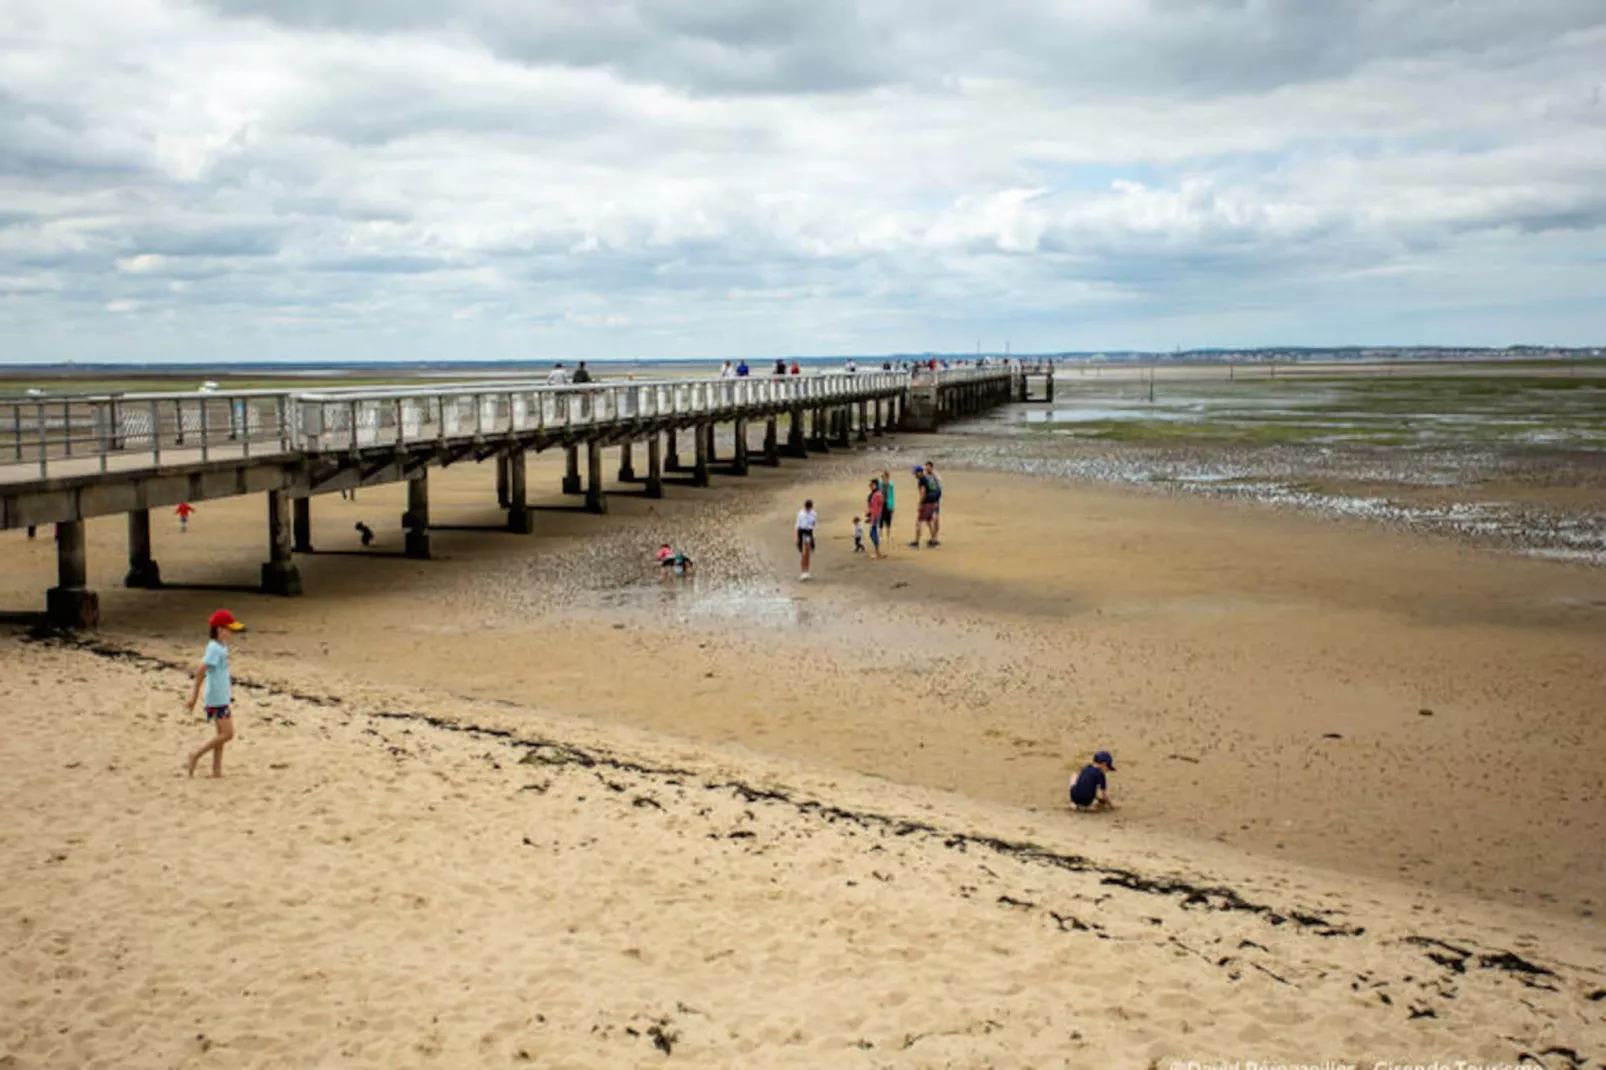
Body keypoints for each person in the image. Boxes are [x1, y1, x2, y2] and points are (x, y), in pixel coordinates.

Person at [186, 609, 245, 778]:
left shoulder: (221, 646)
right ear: (220, 629)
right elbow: (200, 672)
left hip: (221, 696)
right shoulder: (214, 648)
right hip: (216, 698)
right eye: (229, 629)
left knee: (221, 735)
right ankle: (196, 755)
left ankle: (216, 770)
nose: (231, 632)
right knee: (228, 734)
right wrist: (194, 698)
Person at [795, 499, 817, 580]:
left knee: (808, 552)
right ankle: (803, 571)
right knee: (803, 553)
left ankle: (807, 571)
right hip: (802, 531)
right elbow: (797, 525)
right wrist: (797, 537)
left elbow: (814, 524)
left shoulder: (814, 513)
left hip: (809, 532)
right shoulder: (801, 513)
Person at [923, 460, 943, 547]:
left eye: (928, 467)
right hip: (928, 499)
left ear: (932, 467)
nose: (927, 468)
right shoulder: (925, 476)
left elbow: (939, 488)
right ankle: (933, 537)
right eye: (926, 467)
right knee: (928, 519)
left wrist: (936, 499)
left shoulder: (936, 476)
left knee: (935, 519)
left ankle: (935, 538)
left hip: (935, 499)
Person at [865, 478, 885, 559]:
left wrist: (871, 515)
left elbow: (876, 506)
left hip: (876, 516)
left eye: (871, 485)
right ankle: (877, 551)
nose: (870, 486)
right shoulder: (875, 494)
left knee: (873, 533)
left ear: (875, 485)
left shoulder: (877, 494)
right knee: (873, 533)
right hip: (875, 515)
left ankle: (878, 552)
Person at [878, 469, 895, 536]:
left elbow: (892, 496)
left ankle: (888, 534)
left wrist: (893, 506)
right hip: (881, 504)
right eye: (882, 476)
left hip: (888, 504)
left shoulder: (891, 485)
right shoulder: (880, 484)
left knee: (888, 519)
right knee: (881, 519)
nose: (882, 477)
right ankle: (880, 534)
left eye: (884, 476)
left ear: (887, 477)